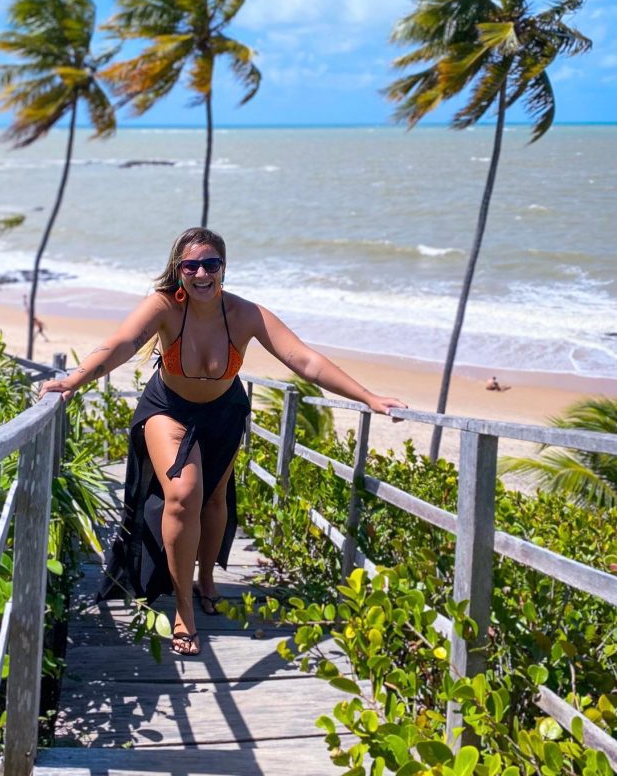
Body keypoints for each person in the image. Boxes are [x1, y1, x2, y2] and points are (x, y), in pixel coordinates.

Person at [39, 227, 407, 656]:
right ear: (178, 270)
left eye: (209, 264)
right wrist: (75, 380)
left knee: (215, 500)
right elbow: (122, 343)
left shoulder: (246, 314)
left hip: (225, 413)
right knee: (182, 494)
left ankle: (206, 579)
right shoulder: (163, 308)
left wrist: (369, 397)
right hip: (167, 409)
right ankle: (182, 610)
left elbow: (303, 359)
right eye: (190, 265)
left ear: (223, 269)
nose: (200, 273)